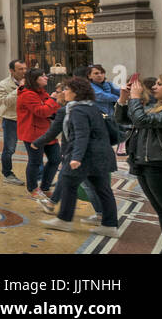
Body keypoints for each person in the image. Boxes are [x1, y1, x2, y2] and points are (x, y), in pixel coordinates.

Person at [38, 77, 119, 235]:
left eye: (67, 89)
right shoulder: (92, 107)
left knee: (68, 182)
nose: (64, 92)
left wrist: (76, 157)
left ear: (76, 93)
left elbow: (82, 135)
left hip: (87, 157)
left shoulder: (78, 110)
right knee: (103, 189)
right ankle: (110, 226)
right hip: (101, 155)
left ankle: (64, 220)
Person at [115, 73, 162, 251]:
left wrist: (136, 98)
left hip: (159, 165)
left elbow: (142, 120)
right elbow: (123, 119)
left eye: (160, 84)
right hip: (143, 163)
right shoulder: (157, 106)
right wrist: (124, 100)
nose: (154, 86)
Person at [18, 67, 63, 199]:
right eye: (42, 76)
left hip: (47, 132)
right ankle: (32, 188)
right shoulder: (27, 94)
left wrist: (56, 103)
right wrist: (53, 100)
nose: (46, 77)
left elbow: (51, 111)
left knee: (55, 159)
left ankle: (45, 186)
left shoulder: (42, 92)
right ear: (34, 80)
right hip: (33, 133)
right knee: (35, 162)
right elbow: (41, 111)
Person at [0, 59, 27, 183]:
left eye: (25, 68)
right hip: (11, 120)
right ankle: (7, 174)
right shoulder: (3, 85)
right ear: (12, 71)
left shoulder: (30, 82)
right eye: (20, 69)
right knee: (9, 148)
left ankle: (39, 175)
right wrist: (19, 89)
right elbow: (5, 102)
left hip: (28, 120)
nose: (24, 71)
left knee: (35, 147)